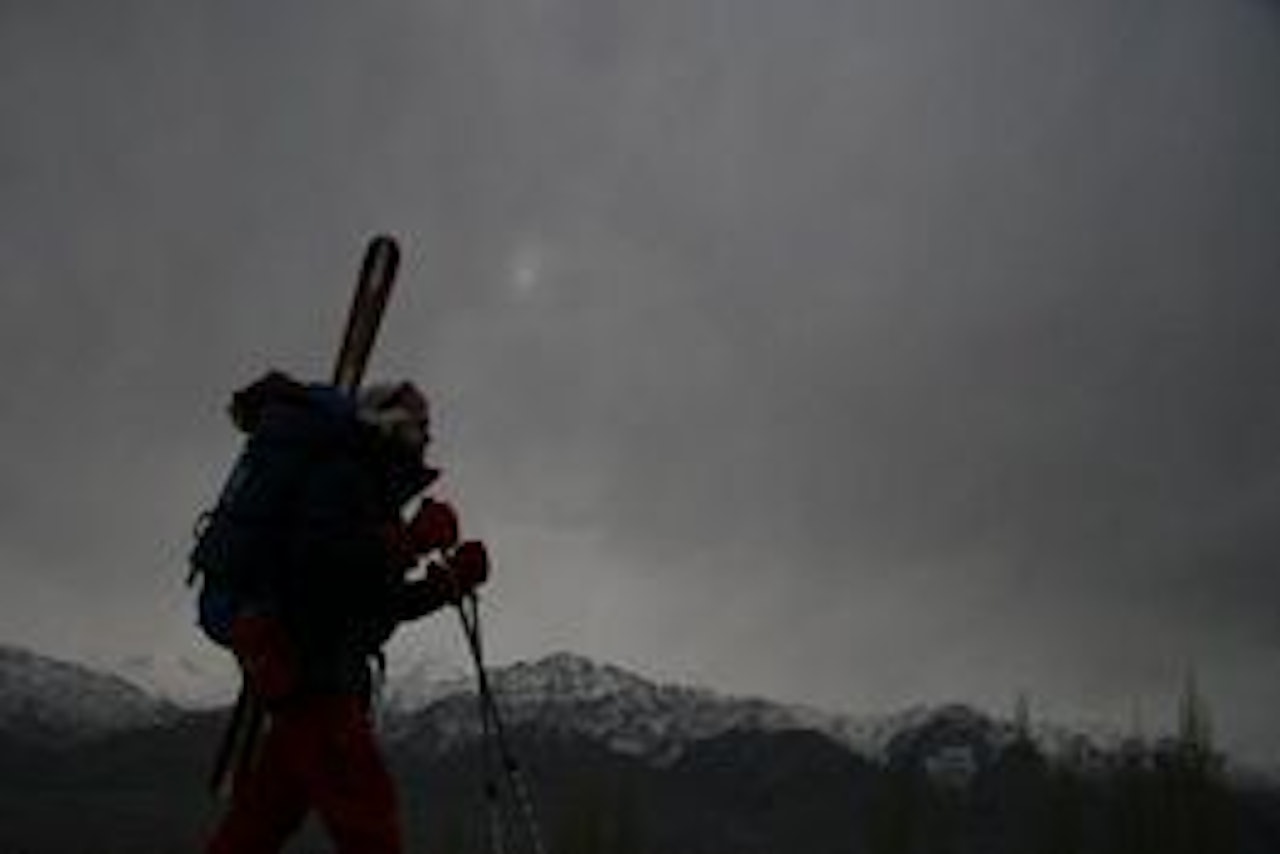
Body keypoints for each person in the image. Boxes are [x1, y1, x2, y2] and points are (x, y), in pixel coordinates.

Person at [204, 372, 489, 854]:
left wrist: (447, 584)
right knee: (370, 824)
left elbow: (375, 602)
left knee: (260, 823)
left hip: (313, 678)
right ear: (391, 425)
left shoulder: (371, 491)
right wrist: (412, 541)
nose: (427, 438)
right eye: (420, 426)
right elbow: (322, 574)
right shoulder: (342, 478)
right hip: (316, 676)